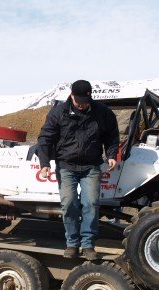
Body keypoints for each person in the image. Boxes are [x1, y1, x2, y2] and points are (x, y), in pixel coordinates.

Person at [37, 80, 119, 260]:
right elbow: (45, 138)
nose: (81, 105)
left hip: (91, 166)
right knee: (69, 204)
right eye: (78, 101)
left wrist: (112, 154)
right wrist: (44, 163)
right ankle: (72, 243)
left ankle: (88, 244)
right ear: (71, 95)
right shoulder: (58, 112)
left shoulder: (102, 112)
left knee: (90, 204)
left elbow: (112, 135)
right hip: (66, 165)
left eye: (85, 101)